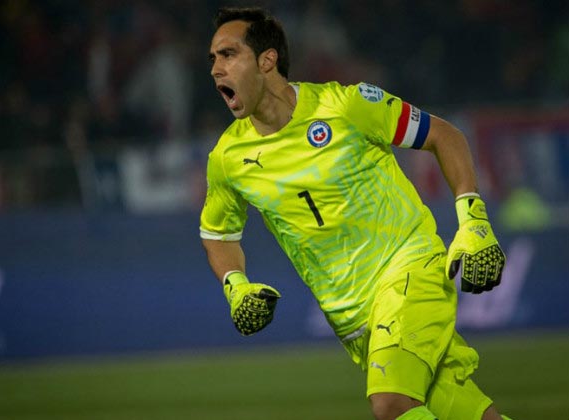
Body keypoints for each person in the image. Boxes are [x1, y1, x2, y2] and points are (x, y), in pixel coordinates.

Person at [200, 7, 509, 420]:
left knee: (391, 404)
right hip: (352, 319)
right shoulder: (228, 158)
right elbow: (218, 234)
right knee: (465, 412)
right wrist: (235, 284)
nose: (216, 68)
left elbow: (444, 135)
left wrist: (473, 222)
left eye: (228, 54)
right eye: (212, 59)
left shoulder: (344, 105)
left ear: (267, 60)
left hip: (409, 269)